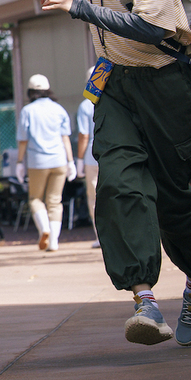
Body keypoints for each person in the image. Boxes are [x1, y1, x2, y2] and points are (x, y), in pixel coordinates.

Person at [39, 0, 191, 347]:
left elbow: (155, 29)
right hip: (116, 85)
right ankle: (145, 300)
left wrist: (78, 7)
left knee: (172, 198)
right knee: (117, 184)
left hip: (165, 85)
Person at [15, 74, 76, 252]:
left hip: (37, 162)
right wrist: (71, 161)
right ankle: (54, 241)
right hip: (60, 160)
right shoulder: (58, 109)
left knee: (35, 199)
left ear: (30, 91)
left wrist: (19, 162)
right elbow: (65, 138)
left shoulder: (28, 111)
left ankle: (45, 229)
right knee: (55, 201)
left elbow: (23, 140)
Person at [76, 69, 102, 248]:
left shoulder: (85, 105)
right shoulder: (116, 100)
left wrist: (79, 160)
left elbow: (84, 135)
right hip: (114, 153)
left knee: (94, 197)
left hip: (91, 157)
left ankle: (101, 237)